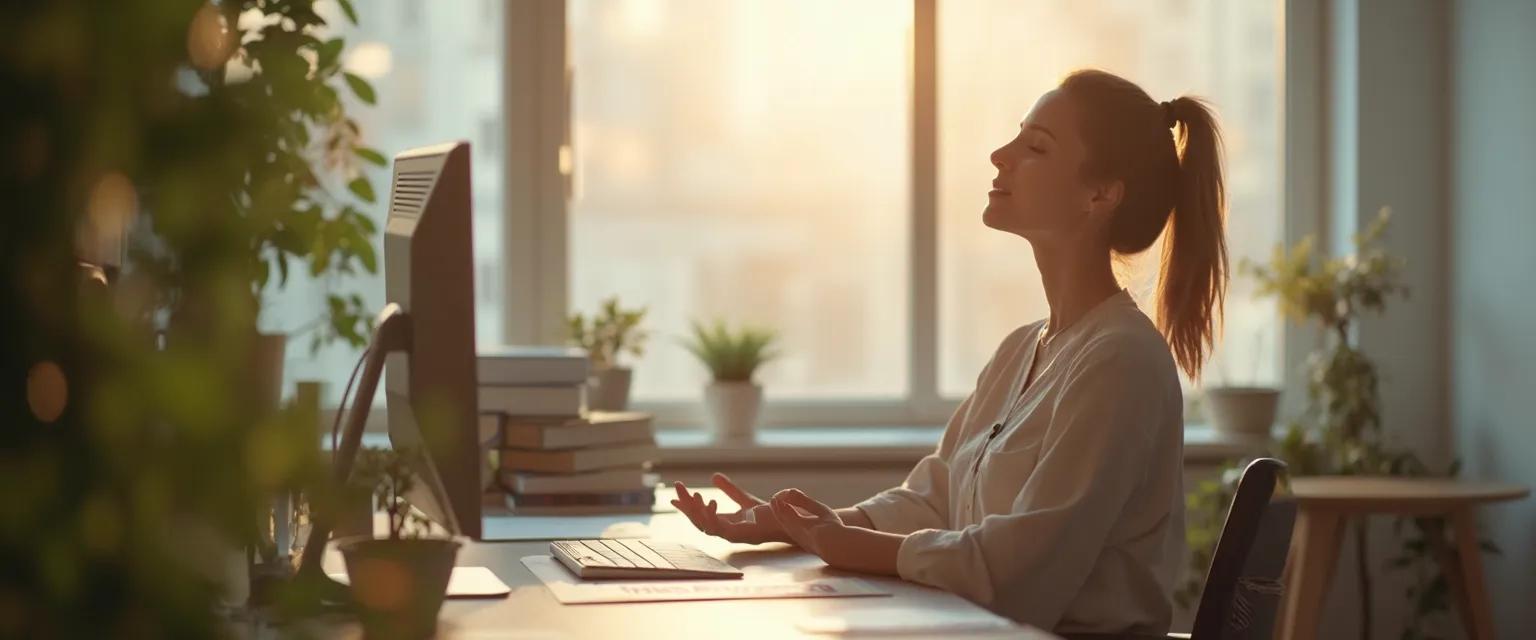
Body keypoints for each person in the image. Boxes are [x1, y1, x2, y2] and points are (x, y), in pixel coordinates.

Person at [671, 68, 1229, 636]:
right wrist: (806, 524)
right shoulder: (1023, 349)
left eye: (1035, 147)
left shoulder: (1122, 360)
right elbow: (936, 498)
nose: (999, 155)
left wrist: (853, 545)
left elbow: (1023, 573)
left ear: (1100, 194)